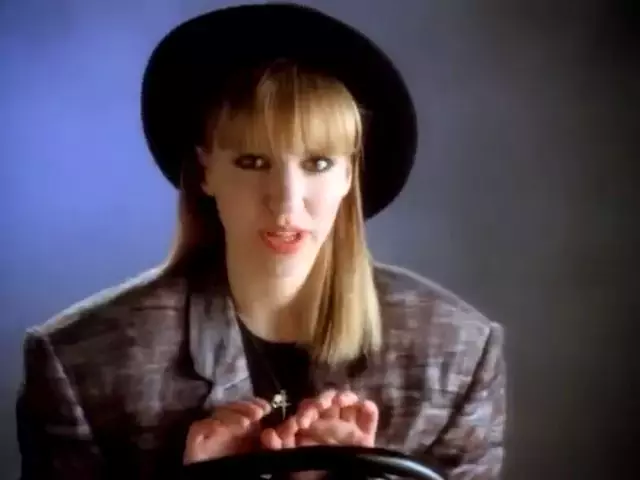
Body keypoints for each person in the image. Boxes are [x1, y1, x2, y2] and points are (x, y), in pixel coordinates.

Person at [15, 3, 506, 480]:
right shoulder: (81, 366)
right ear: (205, 171)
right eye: (252, 162)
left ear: (350, 174)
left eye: (317, 163)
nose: (286, 204)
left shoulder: (457, 357)